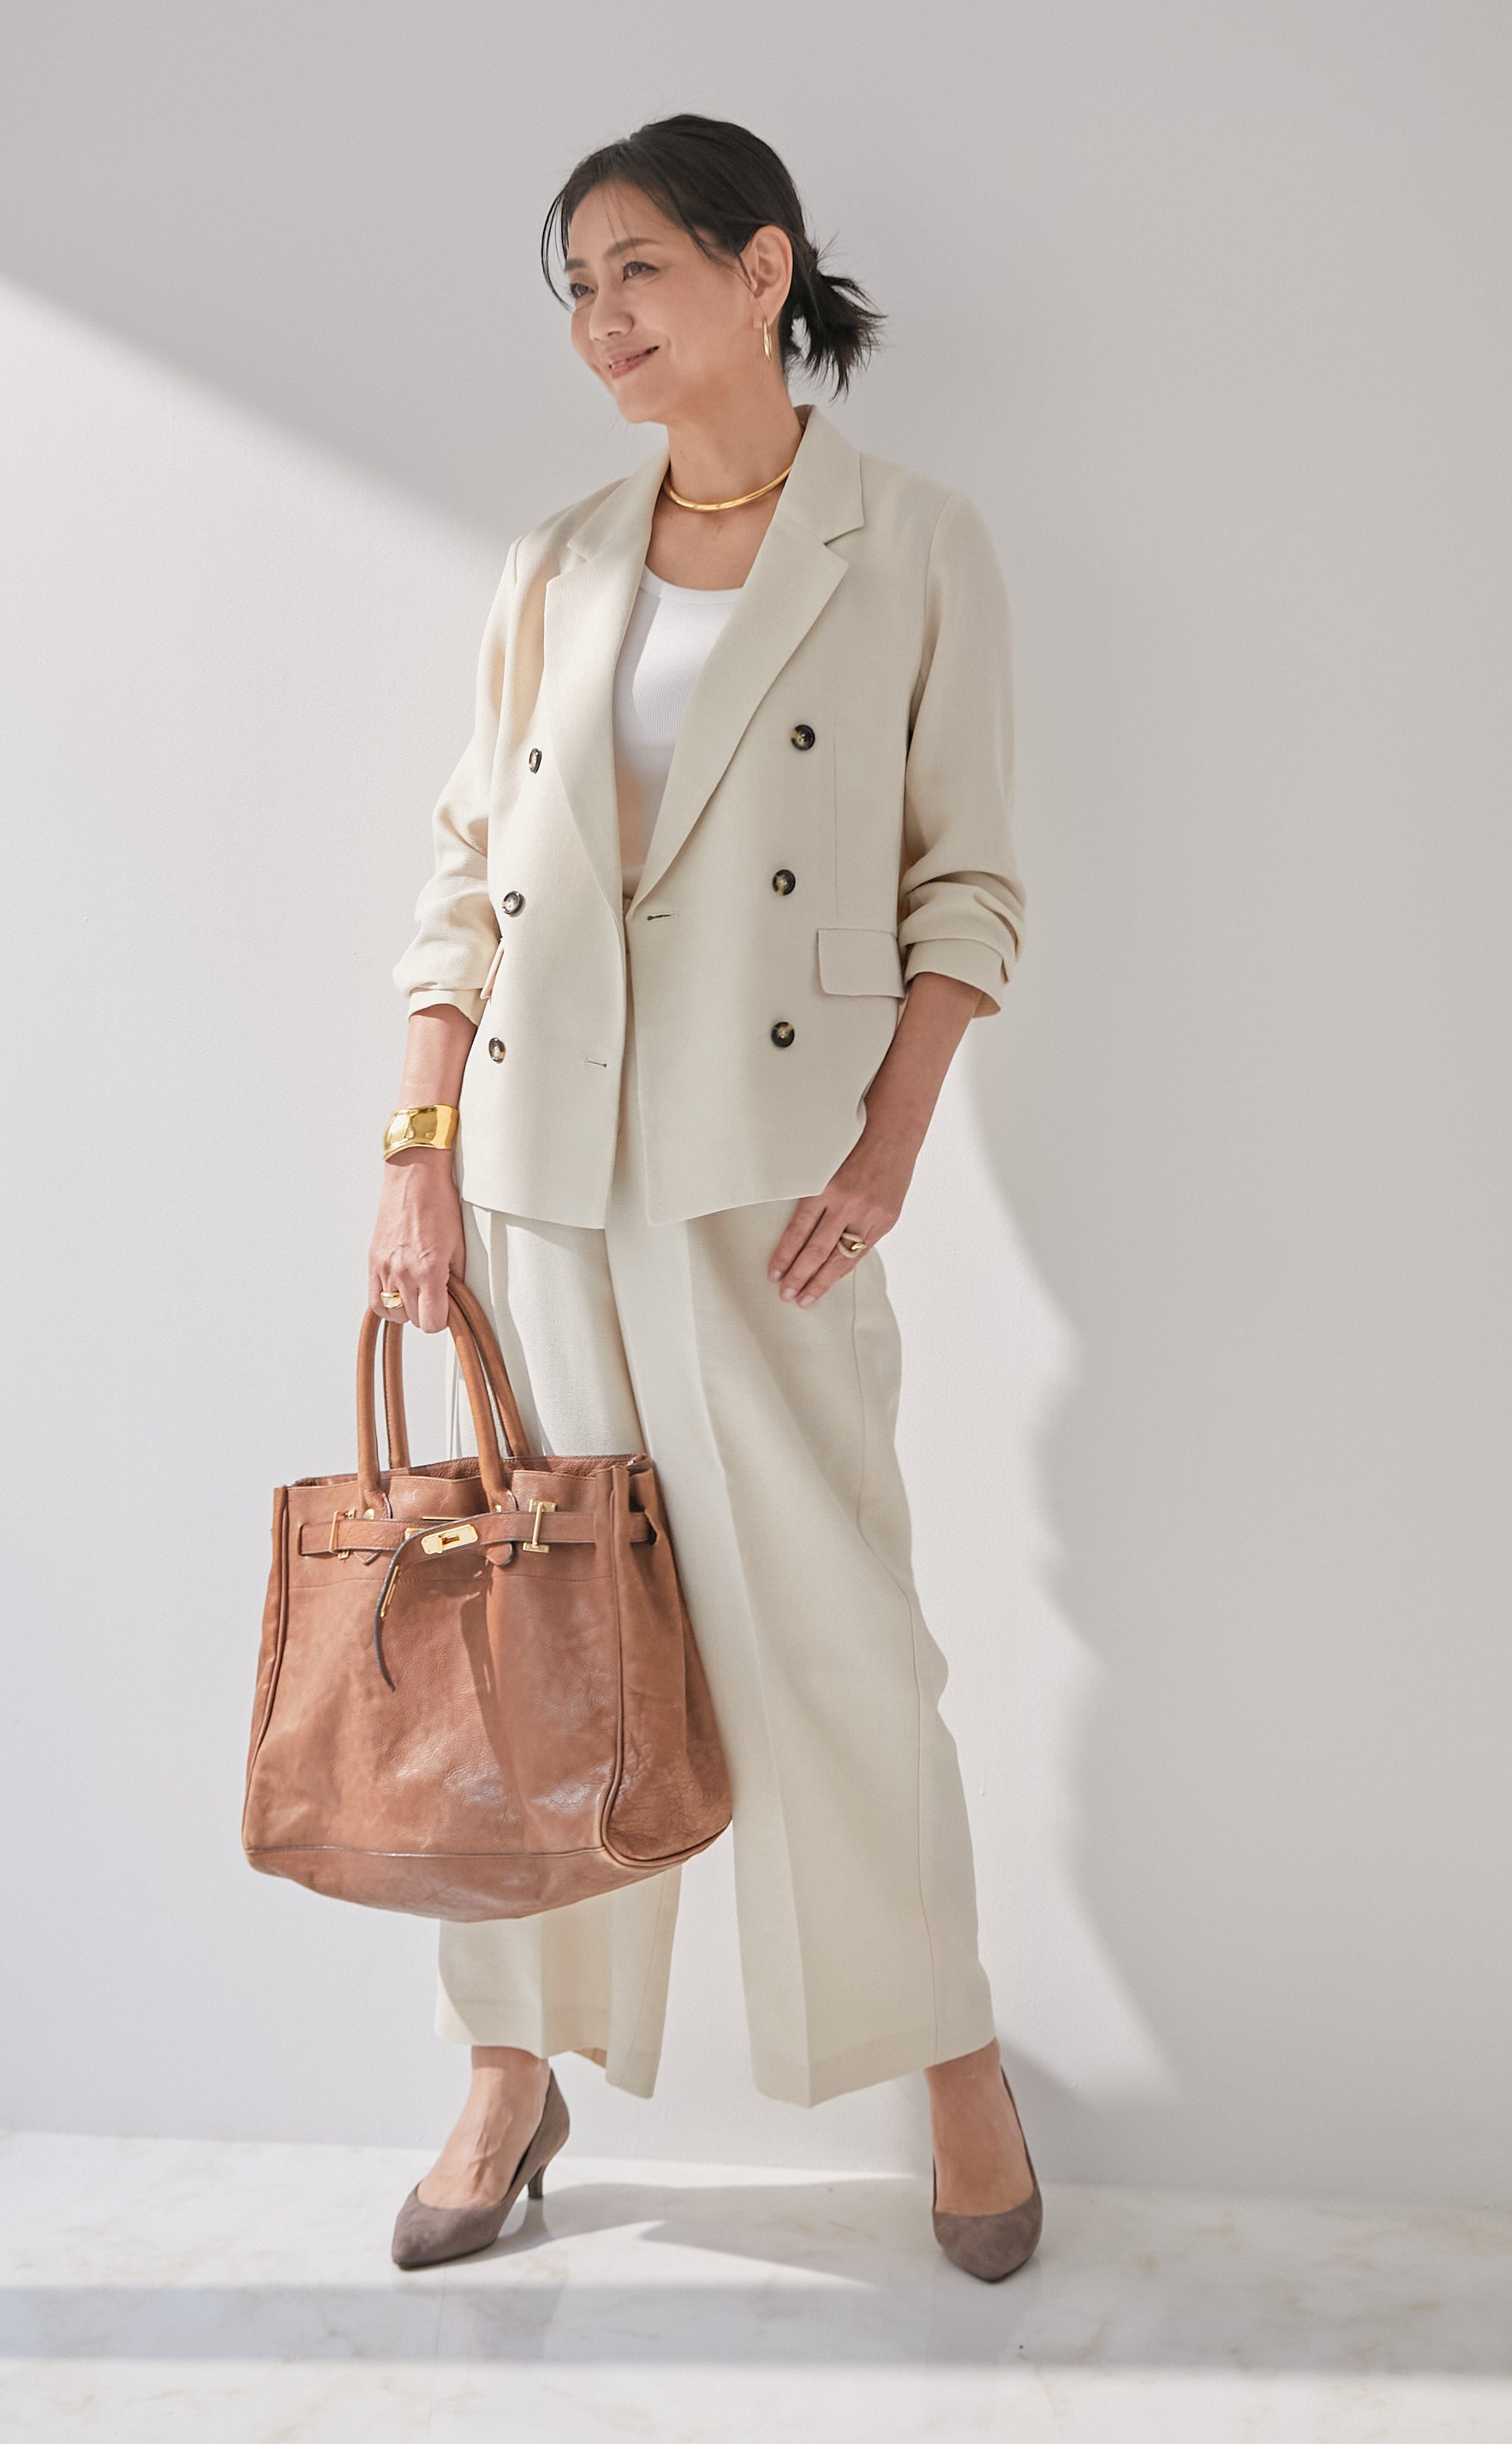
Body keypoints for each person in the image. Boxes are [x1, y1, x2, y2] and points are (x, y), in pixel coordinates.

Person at [368, 112, 1038, 2281]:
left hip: (769, 1187)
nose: (602, 321)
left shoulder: (910, 543)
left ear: (766, 271)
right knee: (545, 1647)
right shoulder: (556, 562)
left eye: (639, 269)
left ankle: (949, 2052)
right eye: (576, 287)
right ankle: (515, 2062)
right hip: (540, 1178)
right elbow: (466, 875)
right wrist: (417, 1154)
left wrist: (886, 1150)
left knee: (834, 1633)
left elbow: (967, 884)